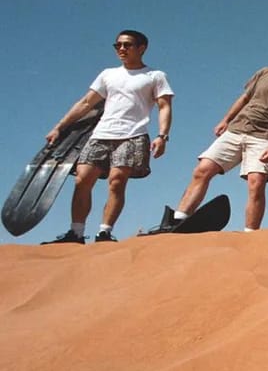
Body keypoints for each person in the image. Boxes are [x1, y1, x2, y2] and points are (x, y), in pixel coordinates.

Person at [164, 35, 268, 232]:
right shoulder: (264, 73)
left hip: (265, 138)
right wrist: (225, 120)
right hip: (236, 130)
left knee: (256, 183)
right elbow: (244, 98)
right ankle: (178, 219)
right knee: (202, 170)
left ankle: (250, 234)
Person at [43, 30, 174, 243]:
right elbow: (86, 103)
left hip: (133, 135)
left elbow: (165, 106)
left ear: (141, 48)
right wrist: (60, 127)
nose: (121, 49)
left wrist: (163, 136)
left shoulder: (155, 76)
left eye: (127, 45)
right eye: (118, 45)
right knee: (82, 179)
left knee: (116, 181)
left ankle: (104, 232)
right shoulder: (108, 74)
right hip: (100, 135)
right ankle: (75, 232)